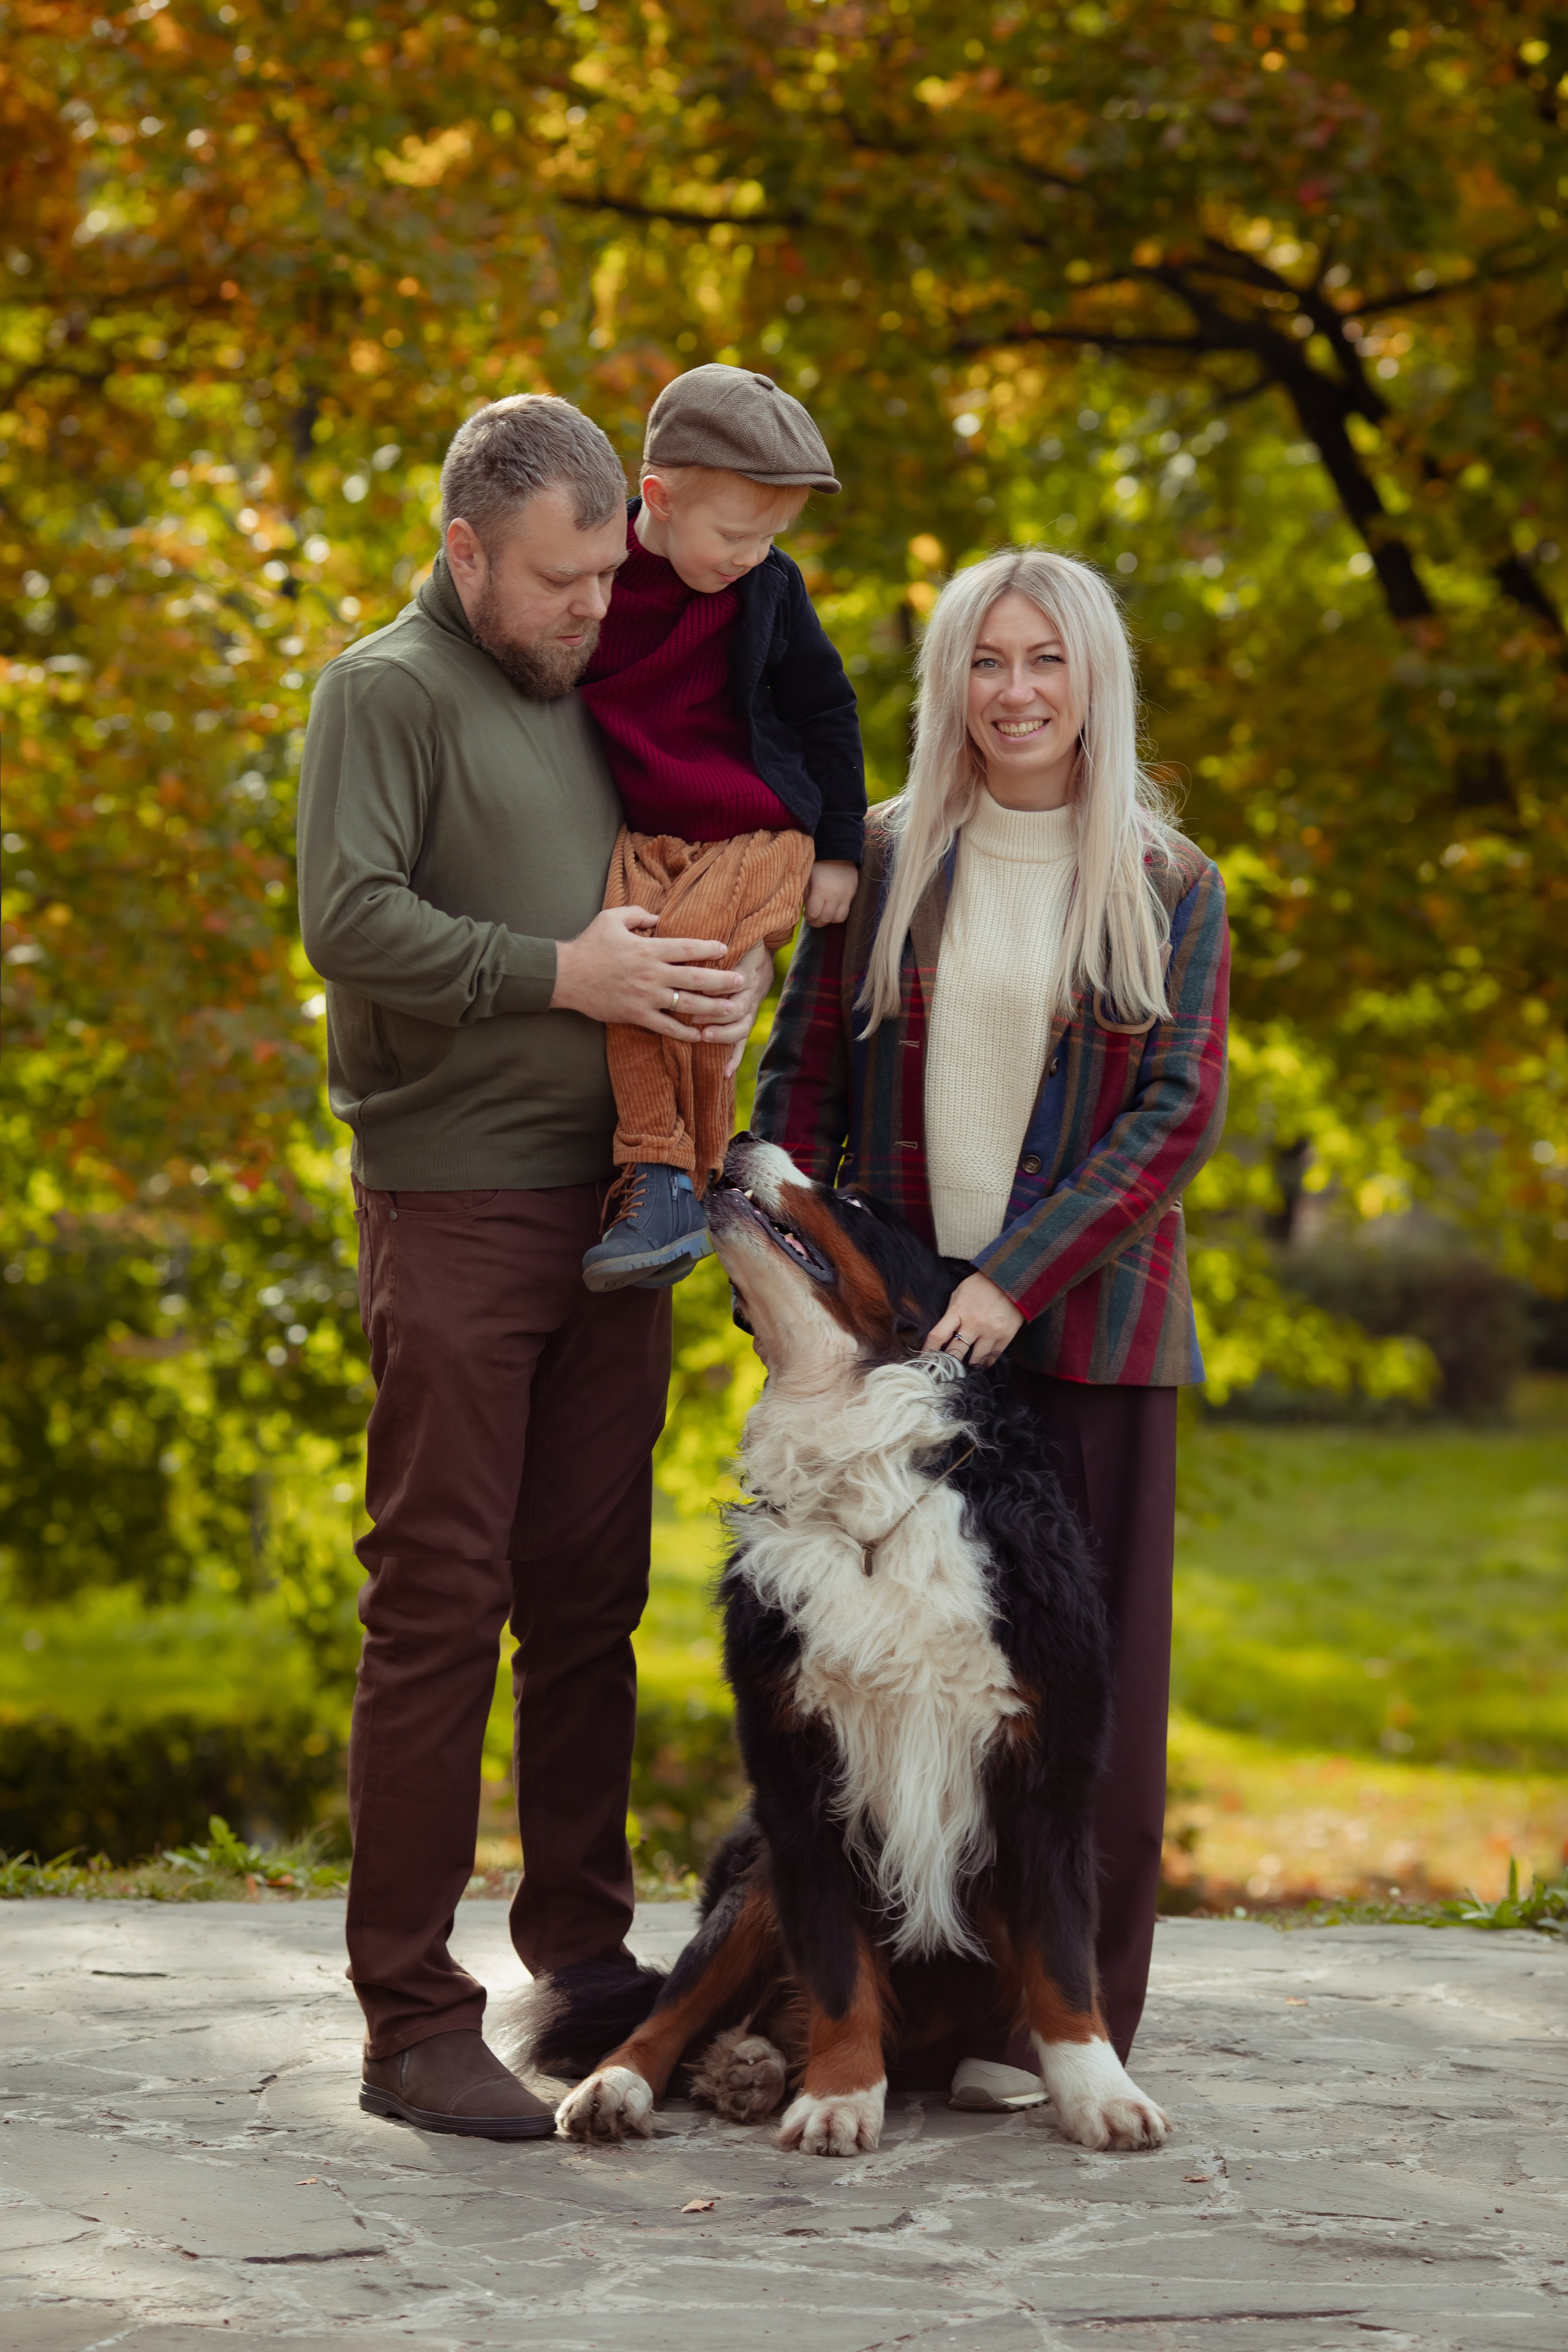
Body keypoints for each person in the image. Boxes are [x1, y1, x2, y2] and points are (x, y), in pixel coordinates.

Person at [296, 394, 774, 2139]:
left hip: (620, 1209)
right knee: (439, 1607)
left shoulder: (605, 692)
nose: (595, 605)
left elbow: (659, 890)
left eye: (608, 571)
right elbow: (346, 917)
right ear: (464, 552)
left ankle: (579, 1972)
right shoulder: (387, 691)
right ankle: (408, 2022)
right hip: (458, 1204)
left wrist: (696, 981)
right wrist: (563, 978)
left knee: (590, 1608)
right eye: (564, 579)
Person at [752, 545, 1230, 2070]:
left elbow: (1172, 1113)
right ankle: (914, 2008)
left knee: (1081, 1707)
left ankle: (1073, 2027)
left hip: (1085, 1338)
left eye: (1044, 661)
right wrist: (786, 1294)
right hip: (895, 1351)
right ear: (947, 680)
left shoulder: (1167, 886)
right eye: (985, 660)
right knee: (875, 1689)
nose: (1014, 693)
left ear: (1093, 679)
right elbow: (798, 1085)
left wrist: (1017, 1279)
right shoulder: (878, 865)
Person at [575, 364, 866, 1294]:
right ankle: (678, 1178)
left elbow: (827, 712)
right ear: (655, 497)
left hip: (757, 834)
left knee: (679, 969)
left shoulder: (768, 590)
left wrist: (839, 848)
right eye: (738, 534)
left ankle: (666, 1177)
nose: (755, 554)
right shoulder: (592, 573)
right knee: (631, 976)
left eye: (774, 536)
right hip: (648, 838)